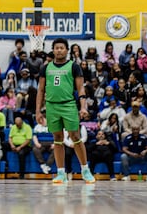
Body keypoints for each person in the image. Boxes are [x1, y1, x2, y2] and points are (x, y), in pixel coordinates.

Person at [35, 37, 96, 184]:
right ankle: (61, 173)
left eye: (62, 48)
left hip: (68, 104)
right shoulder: (46, 68)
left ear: (67, 50)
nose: (59, 50)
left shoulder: (74, 66)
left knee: (75, 136)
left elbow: (81, 88)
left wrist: (83, 106)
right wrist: (38, 111)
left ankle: (85, 170)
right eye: (56, 48)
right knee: (57, 138)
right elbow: (41, 90)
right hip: (51, 106)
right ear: (53, 50)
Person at [7, 115, 33, 179]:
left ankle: (21, 174)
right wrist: (12, 145)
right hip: (14, 145)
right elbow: (10, 138)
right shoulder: (13, 127)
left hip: (25, 146)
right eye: (16, 125)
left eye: (18, 125)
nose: (17, 126)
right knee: (2, 147)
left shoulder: (27, 127)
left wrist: (20, 147)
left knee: (21, 153)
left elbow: (28, 140)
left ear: (22, 123)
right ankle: (5, 167)